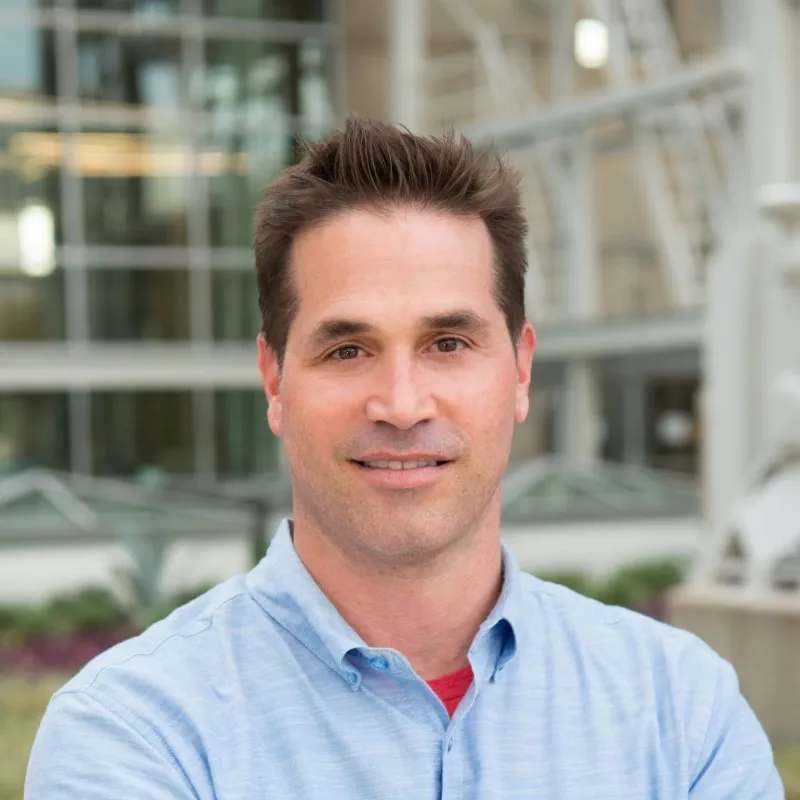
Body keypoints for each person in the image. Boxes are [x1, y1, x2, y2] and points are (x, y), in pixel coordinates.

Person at [25, 117, 783, 799]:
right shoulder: (134, 735)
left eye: (448, 344)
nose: (401, 403)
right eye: (347, 348)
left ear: (519, 373)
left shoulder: (679, 709)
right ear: (274, 381)